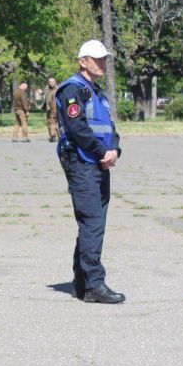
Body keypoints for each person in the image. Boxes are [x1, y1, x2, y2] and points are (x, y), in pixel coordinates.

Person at [54, 40, 125, 305]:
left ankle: (82, 283)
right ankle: (94, 285)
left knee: (92, 225)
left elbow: (110, 128)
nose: (103, 63)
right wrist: (100, 151)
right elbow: (77, 128)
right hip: (82, 162)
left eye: (105, 59)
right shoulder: (72, 89)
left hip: (99, 163)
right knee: (92, 223)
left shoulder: (98, 93)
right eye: (97, 59)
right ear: (82, 61)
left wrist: (115, 150)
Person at [43, 77, 60, 142]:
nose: (51, 83)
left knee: (54, 122)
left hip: (55, 108)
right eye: (50, 82)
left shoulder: (57, 89)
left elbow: (49, 101)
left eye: (52, 81)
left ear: (55, 82)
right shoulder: (47, 89)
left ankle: (54, 135)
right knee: (50, 122)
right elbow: (46, 100)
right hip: (50, 109)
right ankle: (52, 135)